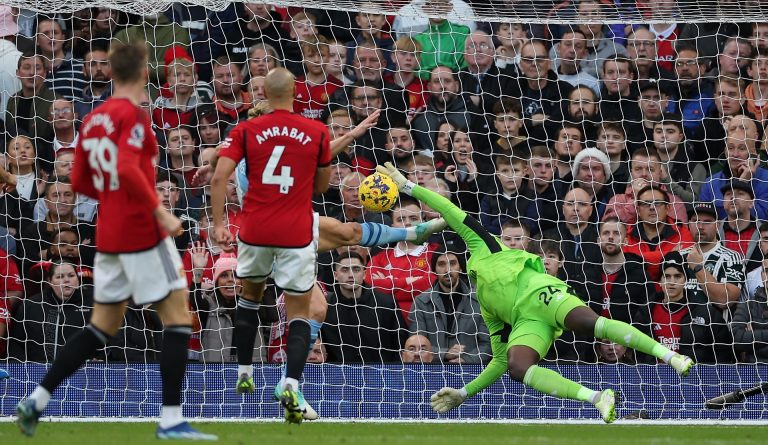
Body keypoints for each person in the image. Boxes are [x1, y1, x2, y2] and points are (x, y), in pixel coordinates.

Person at [376, 162, 693, 423]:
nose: (457, 262)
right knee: (517, 365)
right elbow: (498, 360)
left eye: (457, 257)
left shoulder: (488, 245)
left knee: (591, 324)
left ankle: (671, 356)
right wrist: (464, 393)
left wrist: (407, 187)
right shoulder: (483, 298)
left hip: (541, 292)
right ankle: (597, 397)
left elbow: (447, 207)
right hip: (529, 321)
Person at [15, 43, 216, 441]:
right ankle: (172, 420)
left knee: (100, 328)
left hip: (109, 236)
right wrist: (160, 213)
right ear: (144, 74)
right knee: (178, 319)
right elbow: (127, 166)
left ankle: (37, 398)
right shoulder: (135, 117)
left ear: (111, 74)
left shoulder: (94, 120)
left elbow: (79, 182)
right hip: (142, 232)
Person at [210, 67, 330, 424]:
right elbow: (320, 188)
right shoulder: (317, 130)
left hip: (255, 229)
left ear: (262, 93)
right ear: (295, 90)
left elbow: (219, 176)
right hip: (294, 233)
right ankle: (291, 382)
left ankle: (244, 370)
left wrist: (218, 224)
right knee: (299, 312)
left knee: (250, 296)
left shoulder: (245, 129)